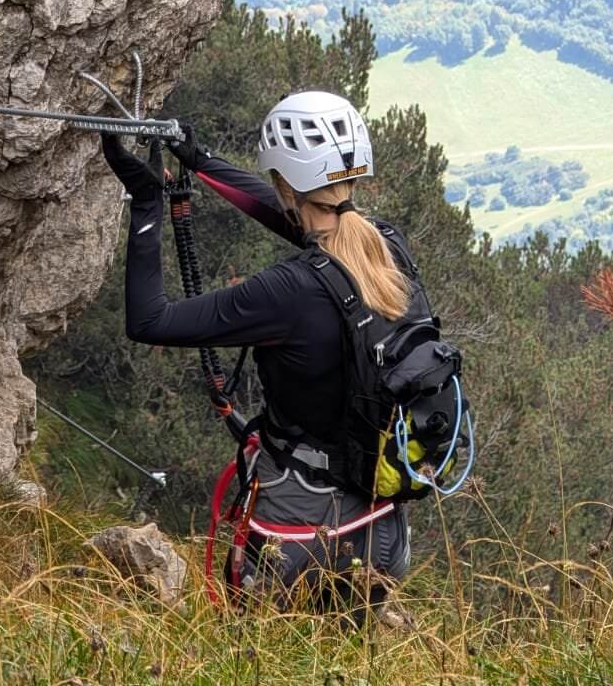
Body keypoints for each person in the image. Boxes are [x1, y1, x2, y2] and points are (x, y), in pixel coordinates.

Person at [100, 89, 414, 606]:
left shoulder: (286, 291)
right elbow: (295, 217)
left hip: (296, 537)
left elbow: (149, 319)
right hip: (381, 532)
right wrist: (202, 164)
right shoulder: (385, 247)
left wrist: (146, 203)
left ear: (285, 185)